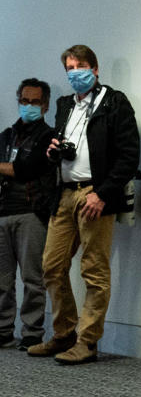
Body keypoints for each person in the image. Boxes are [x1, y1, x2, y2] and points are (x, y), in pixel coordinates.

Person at [27, 46, 139, 365]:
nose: (75, 72)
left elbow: (129, 156)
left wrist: (102, 193)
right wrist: (53, 151)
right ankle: (64, 334)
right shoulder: (64, 105)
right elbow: (63, 146)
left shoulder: (114, 103)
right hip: (64, 192)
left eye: (81, 66)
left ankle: (87, 342)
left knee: (93, 269)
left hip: (95, 194)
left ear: (95, 69)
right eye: (70, 67)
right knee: (51, 265)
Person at [0, 79, 57, 349]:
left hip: (32, 214)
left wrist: (9, 167)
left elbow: (26, 168)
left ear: (45, 105)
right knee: (2, 280)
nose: (29, 106)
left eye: (35, 102)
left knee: (33, 278)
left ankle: (33, 333)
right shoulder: (7, 135)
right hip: (3, 213)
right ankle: (3, 331)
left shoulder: (50, 136)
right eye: (24, 101)